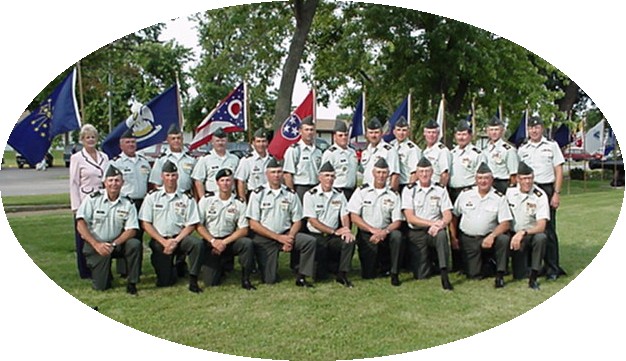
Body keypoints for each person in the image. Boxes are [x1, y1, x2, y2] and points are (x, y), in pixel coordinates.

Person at [245, 158, 317, 287]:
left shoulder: (290, 194)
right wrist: (278, 238)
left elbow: (297, 220)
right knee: (269, 280)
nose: (276, 175)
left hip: (286, 233)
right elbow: (253, 224)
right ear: (266, 174)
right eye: (273, 172)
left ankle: (301, 276)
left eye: (279, 172)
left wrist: (289, 238)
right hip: (265, 237)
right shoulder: (257, 194)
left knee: (309, 241)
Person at [139, 160, 205, 293]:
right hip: (160, 240)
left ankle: (193, 279)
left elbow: (191, 224)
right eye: (167, 175)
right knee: (165, 282)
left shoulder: (186, 197)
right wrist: (164, 241)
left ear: (178, 176)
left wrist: (175, 241)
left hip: (179, 238)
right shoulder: (152, 197)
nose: (170, 178)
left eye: (173, 175)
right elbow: (145, 223)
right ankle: (174, 267)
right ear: (162, 176)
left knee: (197, 244)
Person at [75, 165, 141, 294]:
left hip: (116, 244)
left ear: (122, 183)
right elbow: (80, 223)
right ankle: (105, 274)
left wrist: (114, 244)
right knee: (101, 286)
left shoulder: (128, 202)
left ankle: (132, 282)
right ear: (104, 182)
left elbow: (132, 229)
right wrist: (96, 244)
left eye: (117, 180)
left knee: (134, 244)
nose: (114, 184)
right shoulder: (93, 199)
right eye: (110, 180)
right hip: (96, 244)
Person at [517, 116, 566, 280]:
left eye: (537, 127)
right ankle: (533, 267)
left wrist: (556, 193)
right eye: (531, 128)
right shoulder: (523, 148)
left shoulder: (551, 146)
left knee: (549, 229)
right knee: (530, 226)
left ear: (542, 128)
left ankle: (553, 268)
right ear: (528, 130)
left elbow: (558, 170)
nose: (534, 130)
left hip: (546, 189)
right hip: (527, 188)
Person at [450, 162, 512, 288]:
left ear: (492, 180)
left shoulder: (499, 198)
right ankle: (488, 264)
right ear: (475, 179)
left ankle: (500, 272)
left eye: (486, 178)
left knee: (503, 239)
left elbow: (505, 223)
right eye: (480, 178)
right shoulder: (465, 194)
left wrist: (492, 236)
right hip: (468, 238)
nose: (483, 181)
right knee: (473, 274)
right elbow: (454, 216)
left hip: (489, 238)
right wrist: (453, 237)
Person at [196, 168, 256, 290]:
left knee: (247, 243)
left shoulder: (239, 202)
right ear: (217, 183)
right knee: (211, 282)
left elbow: (244, 229)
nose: (225, 183)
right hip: (211, 242)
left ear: (232, 183)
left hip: (229, 240)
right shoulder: (207, 200)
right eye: (222, 180)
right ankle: (220, 266)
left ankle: (246, 278)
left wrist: (223, 242)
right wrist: (214, 242)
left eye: (228, 180)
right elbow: (198, 225)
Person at [348, 158, 403, 286]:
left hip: (386, 234)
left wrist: (384, 232)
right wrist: (372, 230)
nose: (381, 176)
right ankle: (377, 266)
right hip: (368, 234)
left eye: (384, 173)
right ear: (373, 173)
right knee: (368, 274)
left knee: (398, 236)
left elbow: (397, 221)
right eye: (378, 172)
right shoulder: (362, 191)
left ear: (388, 174)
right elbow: (354, 216)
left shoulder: (393, 195)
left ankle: (394, 272)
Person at [401, 157, 454, 290]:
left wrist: (441, 225)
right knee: (421, 275)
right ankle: (430, 263)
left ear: (432, 172)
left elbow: (448, 214)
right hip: (417, 233)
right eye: (421, 171)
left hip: (435, 232)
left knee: (442, 235)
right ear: (417, 174)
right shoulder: (409, 190)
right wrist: (432, 223)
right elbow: (410, 218)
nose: (424, 174)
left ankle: (444, 273)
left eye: (427, 171)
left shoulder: (440, 189)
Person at [303, 161, 356, 287]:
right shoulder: (310, 195)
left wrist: (346, 230)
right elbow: (312, 221)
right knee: (320, 277)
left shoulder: (339, 194)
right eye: (326, 175)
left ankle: (342, 275)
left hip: (333, 236)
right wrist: (333, 231)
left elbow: (344, 215)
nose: (329, 179)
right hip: (316, 236)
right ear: (319, 177)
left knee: (349, 241)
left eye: (332, 176)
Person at [107, 128, 151, 277]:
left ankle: (135, 268)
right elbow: (107, 185)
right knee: (124, 235)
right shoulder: (116, 163)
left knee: (138, 237)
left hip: (142, 203)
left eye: (133, 142)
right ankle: (123, 269)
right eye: (128, 142)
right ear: (121, 145)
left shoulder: (143, 162)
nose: (131, 144)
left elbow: (149, 184)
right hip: (124, 203)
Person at [69, 124, 110, 279]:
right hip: (85, 200)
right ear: (82, 140)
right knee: (83, 236)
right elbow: (74, 183)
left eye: (93, 137)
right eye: (87, 137)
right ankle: (84, 270)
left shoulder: (104, 157)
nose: (91, 140)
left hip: (101, 200)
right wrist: (76, 206)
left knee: (99, 234)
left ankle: (101, 266)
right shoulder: (77, 158)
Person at [505, 161, 548, 290]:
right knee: (519, 275)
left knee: (541, 238)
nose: (527, 182)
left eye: (530, 178)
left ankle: (534, 276)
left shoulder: (540, 196)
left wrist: (523, 232)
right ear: (518, 179)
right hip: (514, 236)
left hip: (530, 234)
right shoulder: (510, 193)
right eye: (524, 179)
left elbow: (541, 226)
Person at [448, 119, 484, 274]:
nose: (461, 137)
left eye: (464, 134)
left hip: (470, 192)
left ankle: (471, 263)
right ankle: (457, 264)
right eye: (459, 134)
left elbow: (481, 175)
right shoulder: (451, 153)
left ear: (470, 136)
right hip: (453, 192)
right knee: (453, 228)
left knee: (467, 228)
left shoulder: (476, 154)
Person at [191, 127, 240, 201]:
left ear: (227, 141)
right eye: (217, 141)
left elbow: (238, 181)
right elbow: (198, 181)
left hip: (230, 198)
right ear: (212, 142)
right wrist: (203, 200)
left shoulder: (234, 159)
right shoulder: (205, 159)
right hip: (211, 198)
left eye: (223, 140)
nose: (220, 143)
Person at [149, 123, 197, 194]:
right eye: (173, 138)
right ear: (168, 140)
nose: (176, 141)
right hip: (167, 196)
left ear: (182, 139)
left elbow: (195, 183)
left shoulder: (191, 159)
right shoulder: (161, 159)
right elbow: (156, 183)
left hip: (186, 197)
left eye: (178, 138)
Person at [282, 115, 322, 200]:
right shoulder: (294, 150)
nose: (309, 132)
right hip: (300, 188)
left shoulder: (318, 151)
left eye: (311, 130)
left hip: (315, 188)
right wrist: (292, 194)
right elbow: (287, 174)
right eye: (306, 130)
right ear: (300, 131)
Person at [321, 120, 358, 201]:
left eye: (345, 135)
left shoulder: (352, 152)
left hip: (352, 191)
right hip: (337, 191)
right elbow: (323, 175)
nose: (344, 137)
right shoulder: (330, 153)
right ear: (334, 137)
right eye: (340, 135)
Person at [360, 117, 400, 191]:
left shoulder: (389, 150)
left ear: (381, 133)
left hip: (383, 191)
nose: (373, 135)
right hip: (367, 191)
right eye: (371, 133)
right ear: (367, 134)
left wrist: (391, 193)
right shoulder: (365, 152)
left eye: (376, 132)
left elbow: (395, 175)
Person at [234, 128, 273, 202]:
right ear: (253, 143)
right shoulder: (247, 160)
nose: (261, 144)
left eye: (263, 141)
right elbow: (241, 182)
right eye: (258, 141)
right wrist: (243, 202)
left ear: (267, 142)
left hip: (270, 195)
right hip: (254, 196)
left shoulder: (272, 160)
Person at [484, 116, 518, 193]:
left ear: (502, 131)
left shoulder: (508, 150)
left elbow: (514, 175)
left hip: (502, 184)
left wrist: (511, 191)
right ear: (487, 131)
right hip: (487, 184)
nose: (494, 132)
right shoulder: (485, 149)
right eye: (491, 130)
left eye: (496, 129)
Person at [390, 116, 422, 194]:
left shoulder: (412, 149)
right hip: (392, 184)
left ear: (408, 132)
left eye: (404, 130)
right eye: (398, 130)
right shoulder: (391, 145)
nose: (401, 133)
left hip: (405, 185)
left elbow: (415, 173)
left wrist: (409, 190)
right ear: (394, 132)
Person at [420, 119, 451, 187]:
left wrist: (440, 190)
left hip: (436, 187)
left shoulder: (442, 151)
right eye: (429, 132)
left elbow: (445, 175)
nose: (431, 135)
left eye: (434, 132)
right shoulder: (424, 151)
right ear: (424, 133)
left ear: (438, 134)